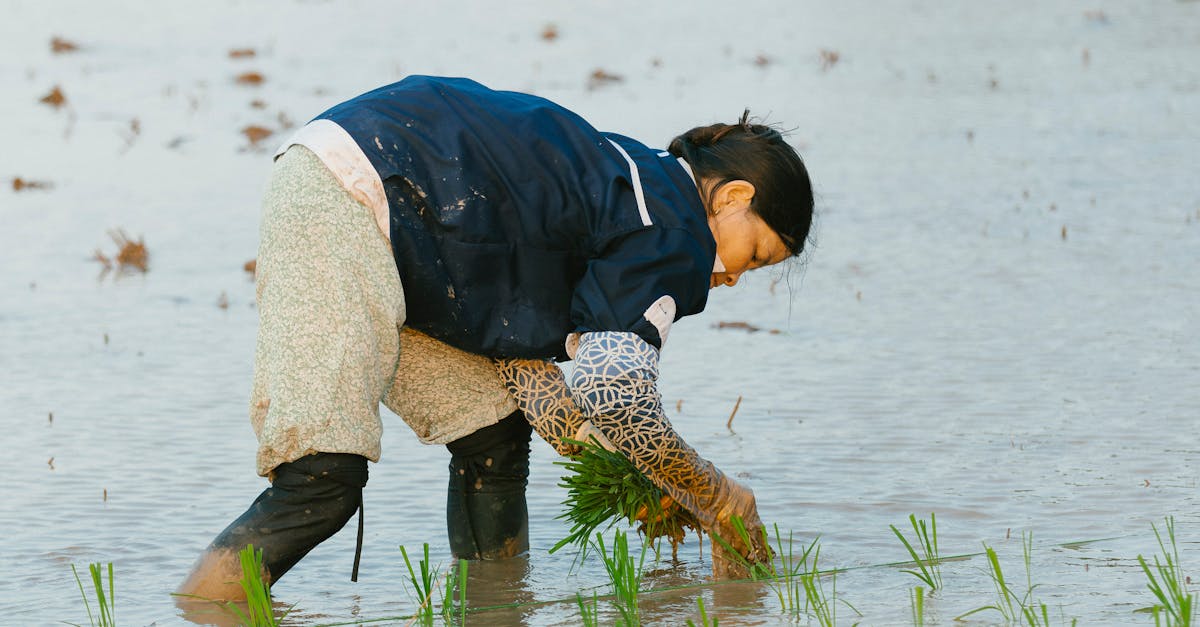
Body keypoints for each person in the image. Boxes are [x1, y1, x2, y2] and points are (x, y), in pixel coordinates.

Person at [177, 75, 814, 600]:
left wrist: (631, 476)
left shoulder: (625, 192)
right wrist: (714, 496)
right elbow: (613, 389)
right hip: (358, 195)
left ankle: (494, 610)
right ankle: (195, 612)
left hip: (392, 219)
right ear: (732, 196)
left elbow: (531, 376)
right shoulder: (673, 229)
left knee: (495, 437)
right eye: (756, 254)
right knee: (320, 481)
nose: (734, 276)